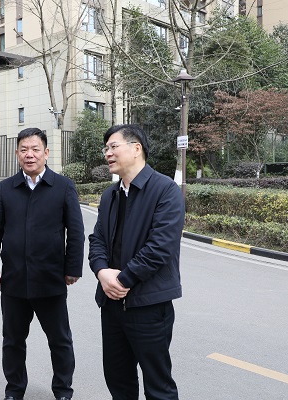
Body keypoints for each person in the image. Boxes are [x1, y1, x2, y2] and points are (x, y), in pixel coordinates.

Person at [0, 128, 85, 400]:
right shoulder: (6, 188)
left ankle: (63, 391)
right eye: (24, 150)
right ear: (17, 154)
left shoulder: (63, 186)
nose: (30, 155)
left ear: (46, 153)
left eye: (35, 149)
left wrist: (72, 268)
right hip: (14, 281)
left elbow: (76, 232)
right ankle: (14, 390)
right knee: (13, 341)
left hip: (50, 279)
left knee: (60, 341)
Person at [88, 124, 185, 400]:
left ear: (136, 148)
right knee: (118, 382)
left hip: (149, 305)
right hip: (112, 304)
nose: (108, 153)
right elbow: (97, 239)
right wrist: (102, 272)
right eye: (106, 149)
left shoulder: (165, 190)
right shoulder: (110, 194)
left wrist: (122, 280)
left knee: (158, 386)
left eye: (113, 147)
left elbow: (160, 247)